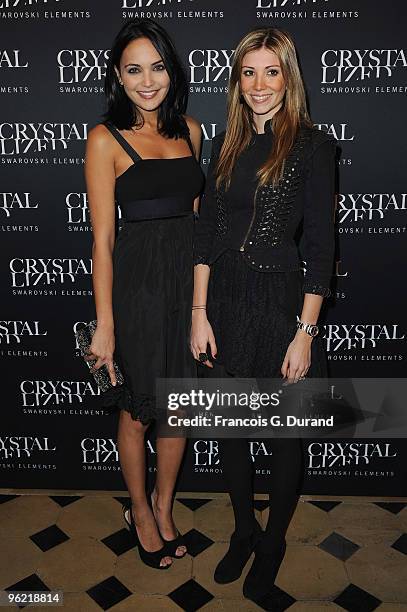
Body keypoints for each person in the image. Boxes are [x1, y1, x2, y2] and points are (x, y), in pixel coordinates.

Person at [191, 27, 336, 606]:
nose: (258, 85)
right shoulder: (225, 144)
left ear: (288, 77)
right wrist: (198, 312)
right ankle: (243, 530)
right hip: (224, 298)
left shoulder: (313, 147)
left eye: (270, 71)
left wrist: (304, 332)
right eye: (248, 72)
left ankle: (272, 541)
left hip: (280, 303)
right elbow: (207, 231)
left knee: (283, 436)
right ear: (237, 80)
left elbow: (322, 246)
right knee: (230, 428)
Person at [84, 18, 204, 570]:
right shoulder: (104, 139)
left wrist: (206, 303)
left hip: (189, 289)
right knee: (138, 411)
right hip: (138, 288)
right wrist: (104, 323)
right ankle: (138, 508)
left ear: (171, 71)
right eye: (134, 69)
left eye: (157, 67)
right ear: (118, 76)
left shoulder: (193, 132)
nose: (147, 80)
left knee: (178, 408)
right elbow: (103, 240)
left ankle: (164, 503)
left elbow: (199, 224)